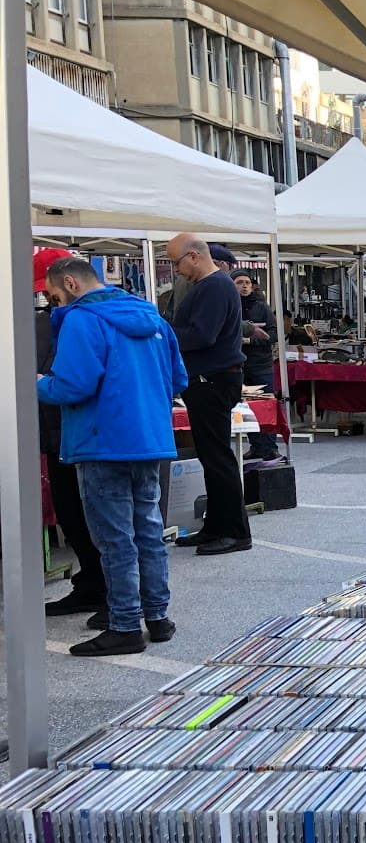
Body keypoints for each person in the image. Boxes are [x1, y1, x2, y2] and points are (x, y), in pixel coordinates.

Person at [37, 257, 187, 655]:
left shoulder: (82, 320)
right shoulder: (151, 316)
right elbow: (179, 379)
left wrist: (36, 383)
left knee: (115, 539)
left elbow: (72, 386)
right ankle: (157, 617)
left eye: (54, 296)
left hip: (102, 442)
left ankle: (124, 625)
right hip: (148, 439)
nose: (55, 305)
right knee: (148, 533)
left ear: (69, 283)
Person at [165, 232, 250, 555]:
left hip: (212, 380)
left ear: (194, 256)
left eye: (176, 262)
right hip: (208, 379)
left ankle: (234, 531)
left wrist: (164, 332)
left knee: (218, 458)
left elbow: (202, 335)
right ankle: (216, 526)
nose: (176, 270)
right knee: (212, 457)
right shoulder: (211, 286)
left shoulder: (215, 286)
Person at [35, 249, 104, 618]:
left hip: (73, 430)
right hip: (101, 433)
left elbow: (70, 384)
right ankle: (122, 601)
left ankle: (110, 599)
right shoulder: (137, 314)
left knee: (86, 516)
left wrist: (38, 384)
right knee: (119, 524)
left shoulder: (68, 321)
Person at [232, 270, 280, 462]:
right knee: (245, 406)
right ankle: (256, 445)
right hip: (237, 364)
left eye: (247, 283)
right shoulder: (228, 306)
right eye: (239, 282)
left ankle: (269, 446)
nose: (244, 286)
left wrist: (250, 340)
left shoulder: (262, 307)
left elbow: (274, 334)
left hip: (261, 364)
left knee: (266, 404)